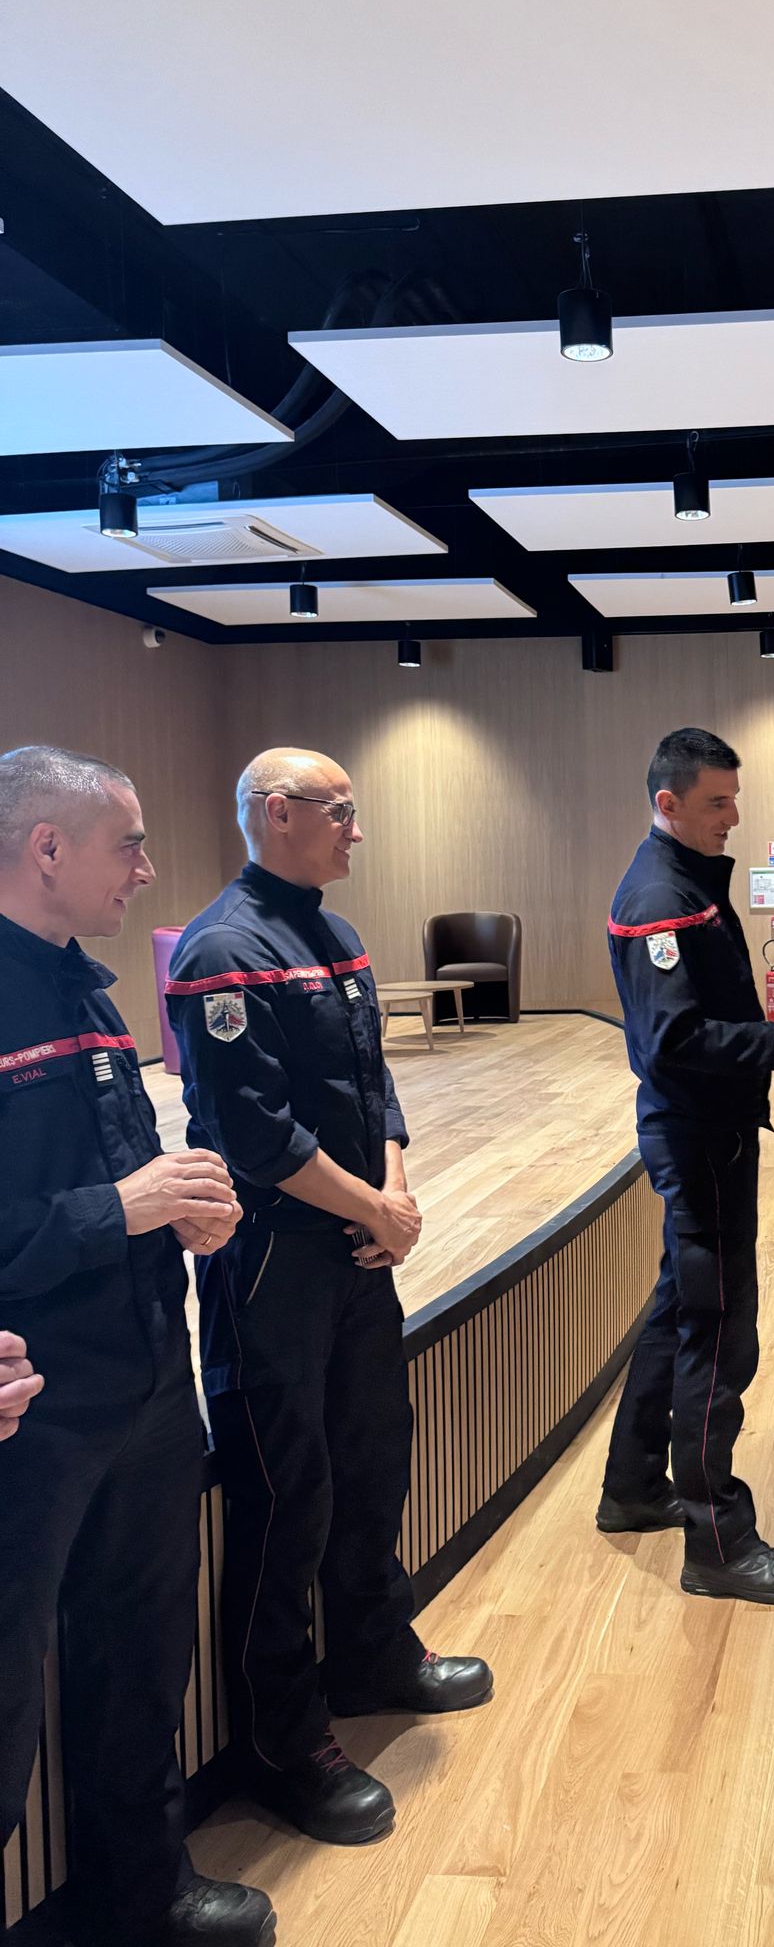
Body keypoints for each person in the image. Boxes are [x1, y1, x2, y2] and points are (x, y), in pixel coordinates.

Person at [167, 749, 490, 1848]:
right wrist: (374, 1208)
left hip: (357, 1246)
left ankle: (373, 1653)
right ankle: (283, 1738)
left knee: (372, 1454)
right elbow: (254, 1133)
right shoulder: (223, 950)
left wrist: (389, 1195)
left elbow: (374, 1083)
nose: (358, 830)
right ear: (276, 812)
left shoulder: (338, 935)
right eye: (340, 811)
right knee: (285, 1491)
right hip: (273, 1260)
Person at [0, 745, 275, 1947]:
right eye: (130, 844)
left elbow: (118, 1176)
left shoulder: (92, 991)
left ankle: (142, 1890)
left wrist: (183, 1211)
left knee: (140, 1654)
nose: (149, 869)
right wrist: (122, 1206)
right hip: (34, 1404)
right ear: (46, 847)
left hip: (151, 1376)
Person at [597, 728, 774, 1605]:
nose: (734, 817)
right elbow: (672, 1041)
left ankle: (634, 1488)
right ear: (668, 803)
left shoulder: (686, 881)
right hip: (698, 1137)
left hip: (709, 1131)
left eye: (735, 799)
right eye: (717, 802)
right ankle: (716, 1542)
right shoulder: (660, 898)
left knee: (681, 1309)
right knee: (718, 1332)